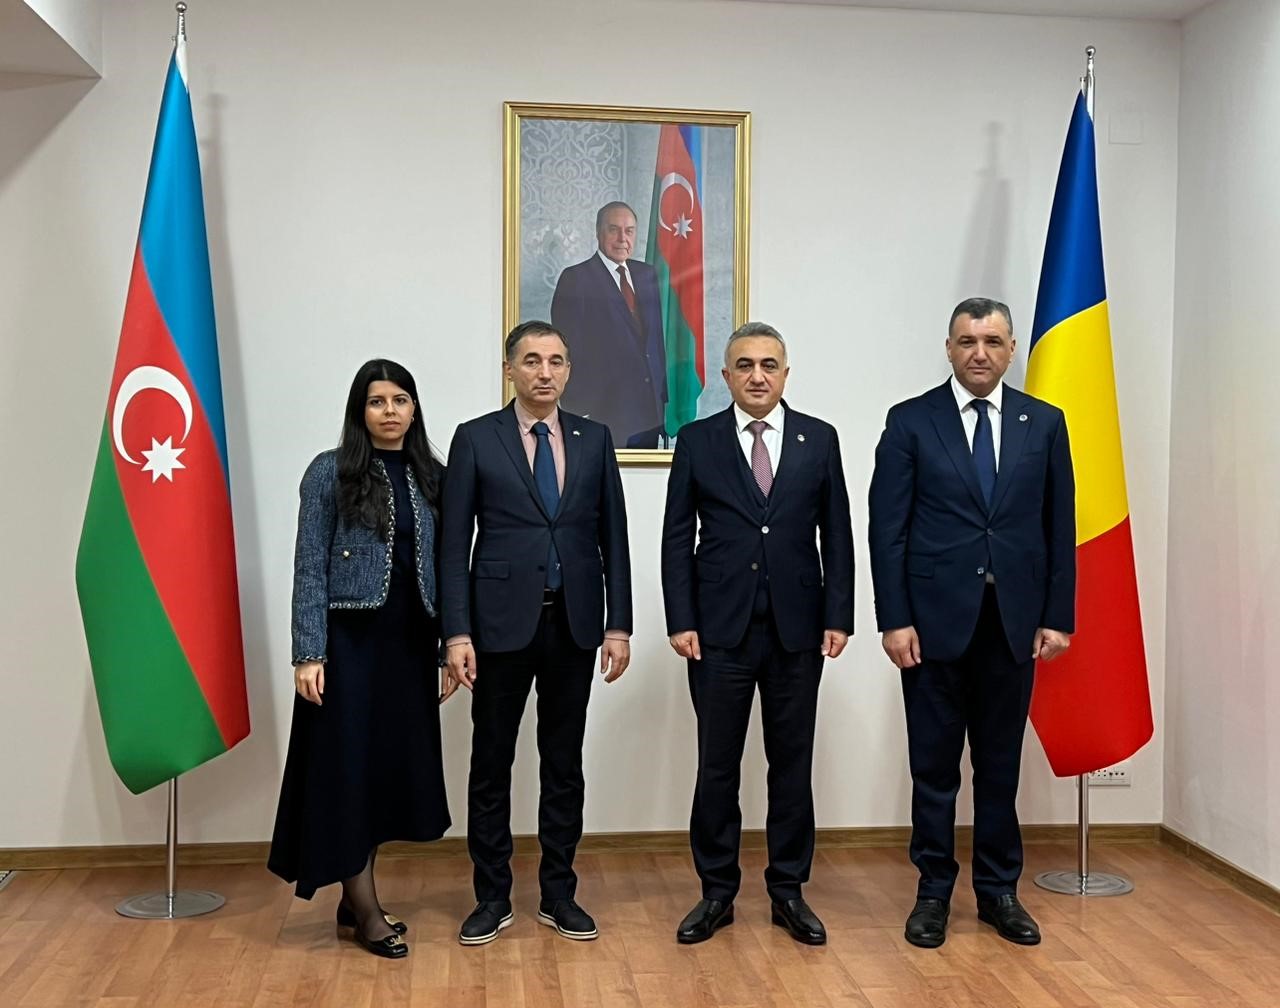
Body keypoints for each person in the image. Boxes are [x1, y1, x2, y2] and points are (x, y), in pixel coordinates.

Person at [868, 298, 1075, 949]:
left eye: (991, 341)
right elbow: (887, 529)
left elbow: (1059, 525)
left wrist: (1057, 615)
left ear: (1011, 349)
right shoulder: (910, 421)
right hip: (931, 627)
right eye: (966, 341)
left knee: (1000, 766)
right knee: (934, 769)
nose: (978, 353)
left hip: (1013, 624)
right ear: (949, 348)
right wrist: (894, 619)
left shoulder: (1044, 423)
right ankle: (933, 892)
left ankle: (998, 892)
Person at [661, 321, 854, 946]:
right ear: (726, 376)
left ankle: (788, 891)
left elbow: (838, 535)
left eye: (769, 365)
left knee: (791, 765)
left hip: (799, 631)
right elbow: (676, 537)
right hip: (718, 633)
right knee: (716, 766)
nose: (757, 375)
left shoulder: (819, 439)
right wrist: (681, 619)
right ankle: (716, 891)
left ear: (786, 374)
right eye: (744, 365)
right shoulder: (698, 440)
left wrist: (839, 615)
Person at [440, 320, 632, 946]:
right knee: (491, 763)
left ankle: (559, 893)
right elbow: (453, 545)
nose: (544, 372)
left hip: (574, 625)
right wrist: (456, 633)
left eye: (555, 360)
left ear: (568, 370)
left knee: (564, 763)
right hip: (497, 627)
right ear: (509, 370)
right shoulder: (476, 438)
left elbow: (614, 537)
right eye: (531, 360)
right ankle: (491, 896)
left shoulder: (594, 438)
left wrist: (619, 624)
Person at [268, 359, 451, 960]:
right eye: (377, 401)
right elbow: (308, 563)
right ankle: (366, 910)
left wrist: (448, 645)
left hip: (409, 648)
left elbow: (448, 567)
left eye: (400, 400)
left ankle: (354, 899)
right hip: (348, 648)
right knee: (346, 772)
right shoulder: (330, 471)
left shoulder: (433, 475)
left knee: (382, 773)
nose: (389, 411)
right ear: (360, 411)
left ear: (414, 409)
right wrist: (308, 652)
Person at [550, 201, 668, 448]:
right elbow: (566, 350)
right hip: (602, 414)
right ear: (598, 232)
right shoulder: (576, 279)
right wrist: (578, 410)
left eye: (629, 231)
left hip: (650, 413)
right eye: (613, 229)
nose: (622, 238)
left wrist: (664, 399)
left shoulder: (648, 275)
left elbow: (656, 341)